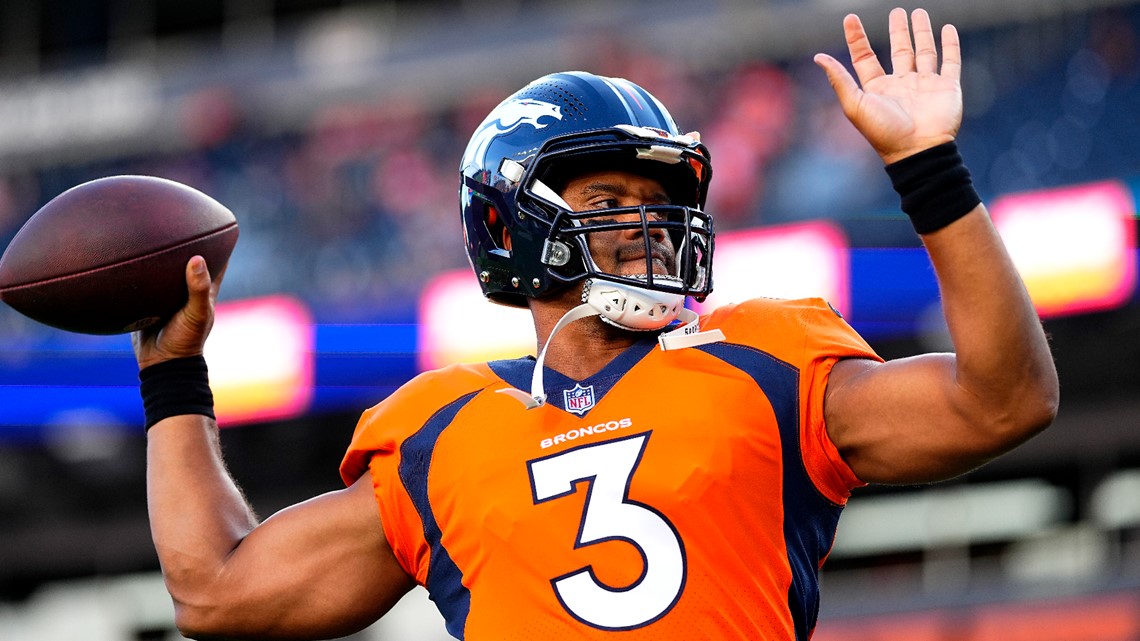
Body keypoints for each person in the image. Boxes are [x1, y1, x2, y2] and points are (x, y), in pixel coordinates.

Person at [134, 8, 1058, 640]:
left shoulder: (767, 358)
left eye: (660, 203)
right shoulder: (436, 429)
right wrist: (174, 375)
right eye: (608, 197)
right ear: (509, 225)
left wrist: (929, 170)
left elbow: (1003, 402)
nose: (646, 224)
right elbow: (214, 592)